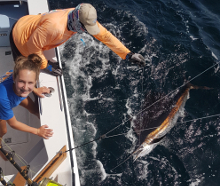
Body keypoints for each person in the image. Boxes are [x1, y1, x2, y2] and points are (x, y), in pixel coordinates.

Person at [10, 3, 146, 76]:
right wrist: (48, 66)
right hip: (20, 38)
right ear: (76, 21)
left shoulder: (82, 17)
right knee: (25, 73)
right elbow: (31, 47)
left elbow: (105, 36)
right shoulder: (55, 28)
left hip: (33, 28)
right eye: (85, 28)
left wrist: (128, 54)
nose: (87, 31)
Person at [0, 54, 53, 160]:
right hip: (2, 102)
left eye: (30, 83)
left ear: (35, 81)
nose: (25, 87)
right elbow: (14, 124)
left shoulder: (19, 75)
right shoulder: (2, 97)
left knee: (34, 109)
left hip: (14, 95)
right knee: (3, 131)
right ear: (14, 78)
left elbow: (25, 81)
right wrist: (37, 131)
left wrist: (36, 90)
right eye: (21, 82)